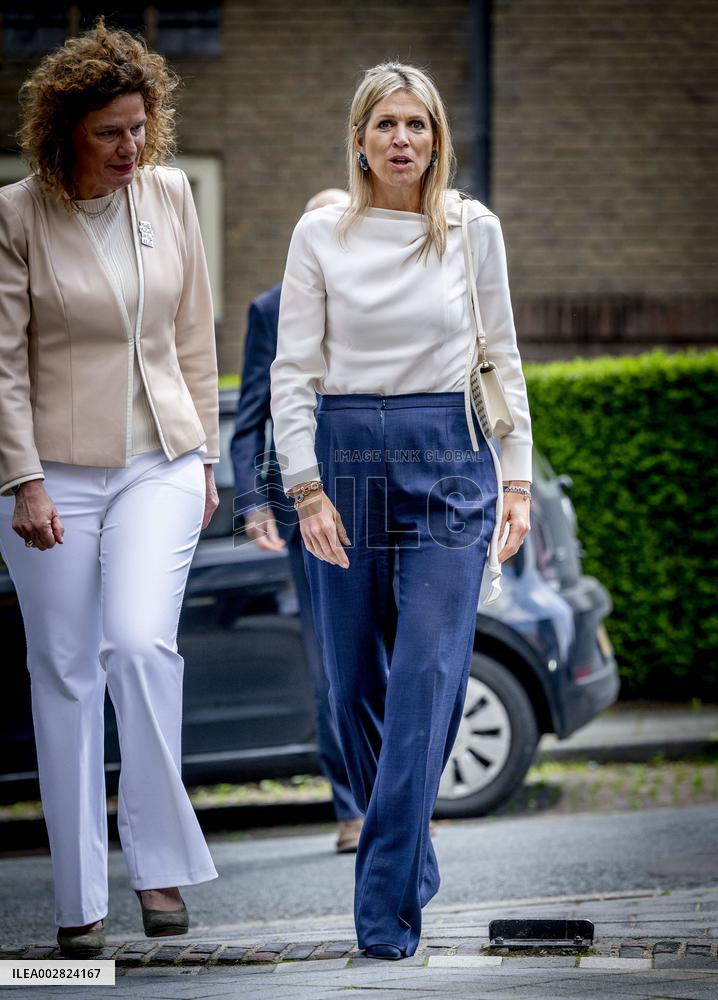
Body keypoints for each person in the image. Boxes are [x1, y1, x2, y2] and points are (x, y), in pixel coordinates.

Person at [270, 62, 533, 959]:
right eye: (385, 123)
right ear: (358, 138)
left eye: (417, 124)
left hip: (450, 462)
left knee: (427, 672)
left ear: (437, 139)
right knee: (352, 689)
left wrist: (517, 480)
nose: (402, 139)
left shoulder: (473, 229)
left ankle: (383, 910)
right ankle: (410, 857)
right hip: (346, 462)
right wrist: (305, 488)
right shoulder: (320, 234)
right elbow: (293, 372)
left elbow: (502, 354)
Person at [0, 20, 220, 957]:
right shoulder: (16, 215)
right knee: (64, 675)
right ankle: (79, 903)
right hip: (50, 476)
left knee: (137, 644)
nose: (130, 147)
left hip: (159, 460)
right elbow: (3, 366)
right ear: (66, 132)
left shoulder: (169, 195)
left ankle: (159, 866)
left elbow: (196, 333)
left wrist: (205, 458)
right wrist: (23, 480)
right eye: (109, 133)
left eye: (139, 127)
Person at [230, 188, 365, 854]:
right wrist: (253, 502)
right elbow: (250, 417)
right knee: (331, 666)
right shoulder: (271, 308)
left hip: (386, 499)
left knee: (394, 655)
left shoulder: (383, 291)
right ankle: (354, 808)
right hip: (310, 513)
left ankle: (399, 802)